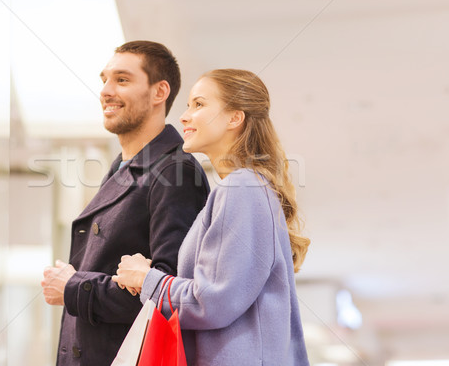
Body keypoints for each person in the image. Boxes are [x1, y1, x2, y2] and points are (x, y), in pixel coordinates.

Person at [113, 69, 312, 366]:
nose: (184, 116)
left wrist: (147, 279)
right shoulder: (243, 188)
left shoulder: (242, 187)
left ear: (235, 118)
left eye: (199, 104)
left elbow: (214, 301)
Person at [40, 41, 210, 365]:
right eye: (104, 79)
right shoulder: (124, 166)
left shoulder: (176, 171)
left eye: (121, 80)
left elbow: (169, 293)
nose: (105, 90)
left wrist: (73, 287)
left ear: (160, 92)